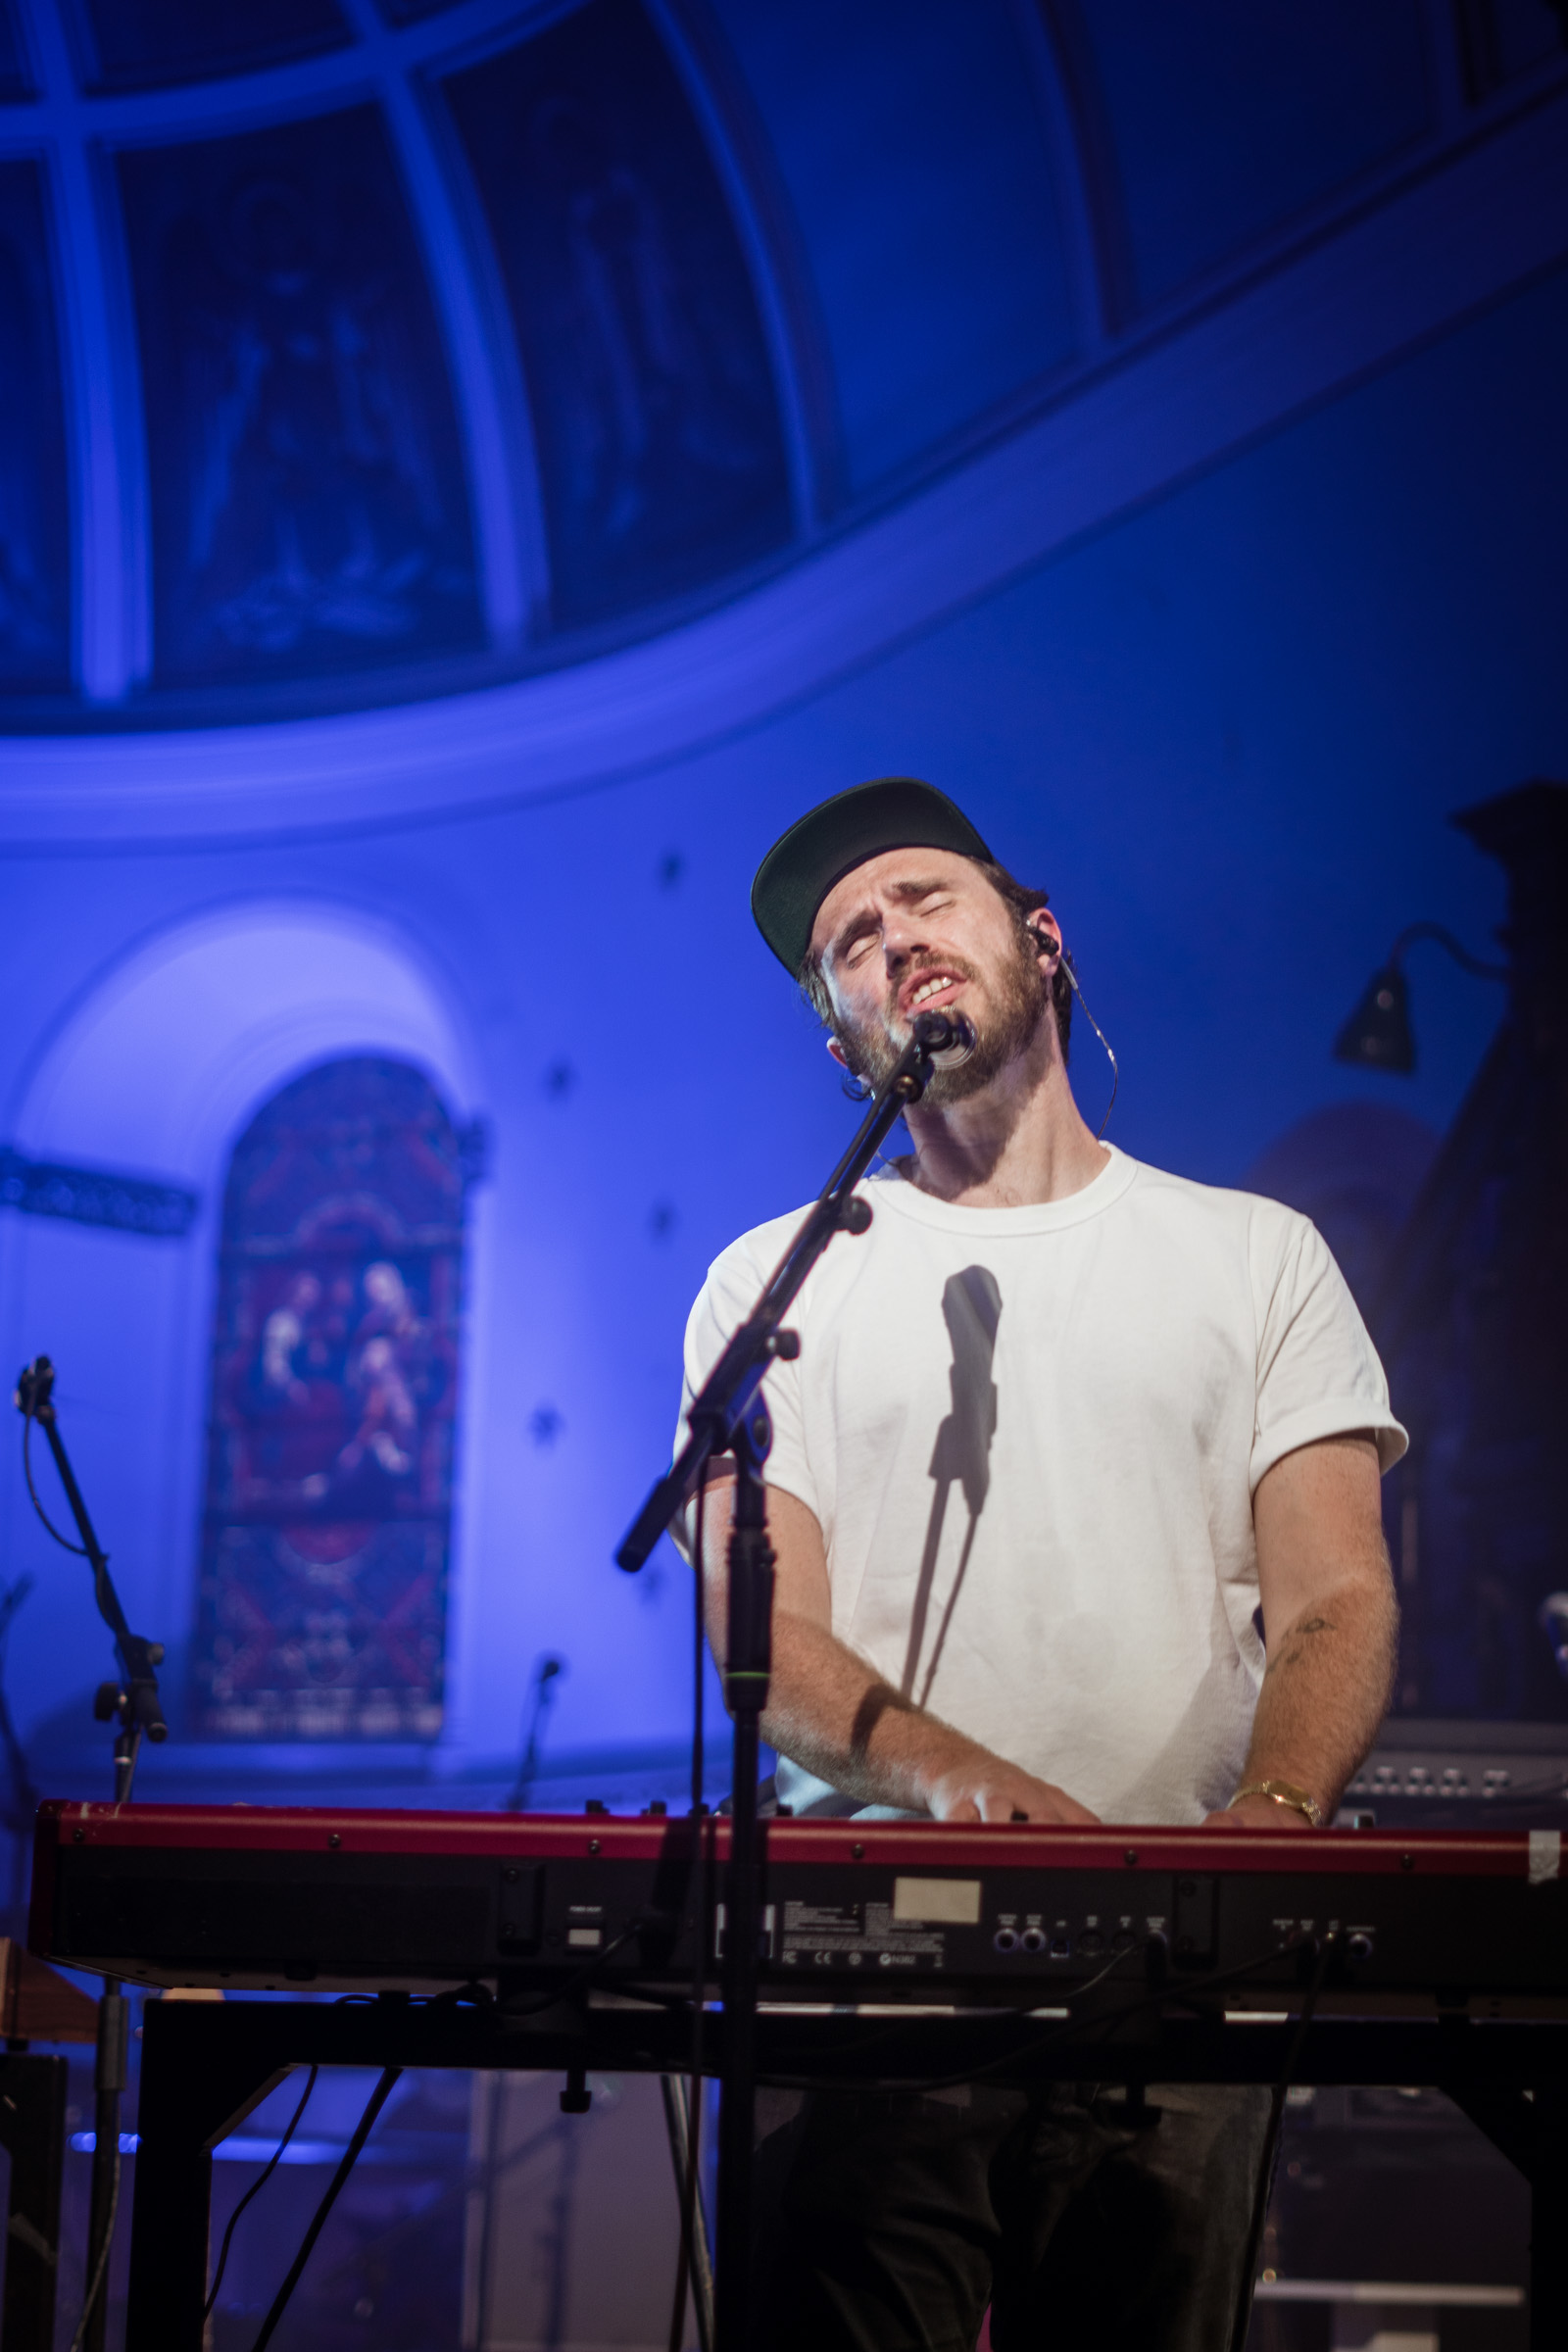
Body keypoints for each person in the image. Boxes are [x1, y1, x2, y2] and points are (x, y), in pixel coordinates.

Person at [676, 777, 1404, 2352]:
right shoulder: (771, 1282)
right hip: (867, 1976)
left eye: (926, 898)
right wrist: (962, 1785)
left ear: (1043, 939)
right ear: (845, 1045)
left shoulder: (1258, 1255)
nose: (893, 940)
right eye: (850, 943)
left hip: (1177, 1978)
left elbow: (1338, 1595)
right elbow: (758, 1621)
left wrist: (1276, 1821)